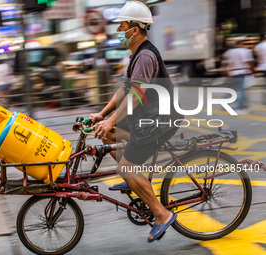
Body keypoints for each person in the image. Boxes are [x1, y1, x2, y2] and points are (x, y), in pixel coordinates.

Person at [89, 1, 183, 242]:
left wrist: (111, 120)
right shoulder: (136, 55)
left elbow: (135, 96)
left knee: (125, 166)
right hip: (147, 118)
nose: (119, 32)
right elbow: (124, 90)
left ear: (135, 29)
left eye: (122, 27)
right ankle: (136, 182)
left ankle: (161, 214)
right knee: (107, 136)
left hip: (159, 121)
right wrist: (103, 115)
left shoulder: (145, 56)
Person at [222, 39, 254, 114]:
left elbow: (225, 64)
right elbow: (249, 62)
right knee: (241, 90)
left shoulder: (228, 52)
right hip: (242, 72)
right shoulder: (245, 51)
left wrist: (225, 73)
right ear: (240, 44)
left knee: (232, 89)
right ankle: (240, 108)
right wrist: (251, 70)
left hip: (232, 73)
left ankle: (225, 104)